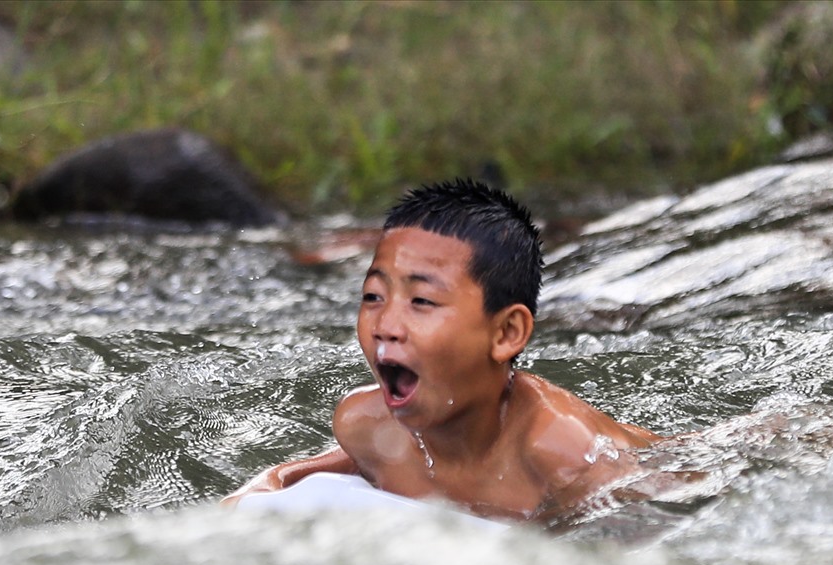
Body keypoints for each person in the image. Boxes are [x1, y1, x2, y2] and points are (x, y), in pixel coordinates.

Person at [224, 178, 655, 520]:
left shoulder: (559, 450)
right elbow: (288, 478)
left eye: (422, 302)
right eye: (373, 297)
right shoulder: (366, 427)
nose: (386, 326)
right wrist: (254, 495)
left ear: (506, 333)